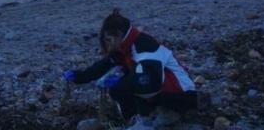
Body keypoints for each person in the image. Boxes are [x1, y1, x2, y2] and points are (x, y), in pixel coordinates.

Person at [63, 10, 197, 130]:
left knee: (124, 85)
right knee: (119, 88)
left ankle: (165, 115)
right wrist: (79, 76)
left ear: (119, 35)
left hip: (182, 96)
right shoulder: (126, 46)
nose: (107, 45)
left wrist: (119, 83)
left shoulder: (144, 48)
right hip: (162, 92)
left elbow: (150, 82)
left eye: (109, 40)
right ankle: (139, 118)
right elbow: (104, 64)